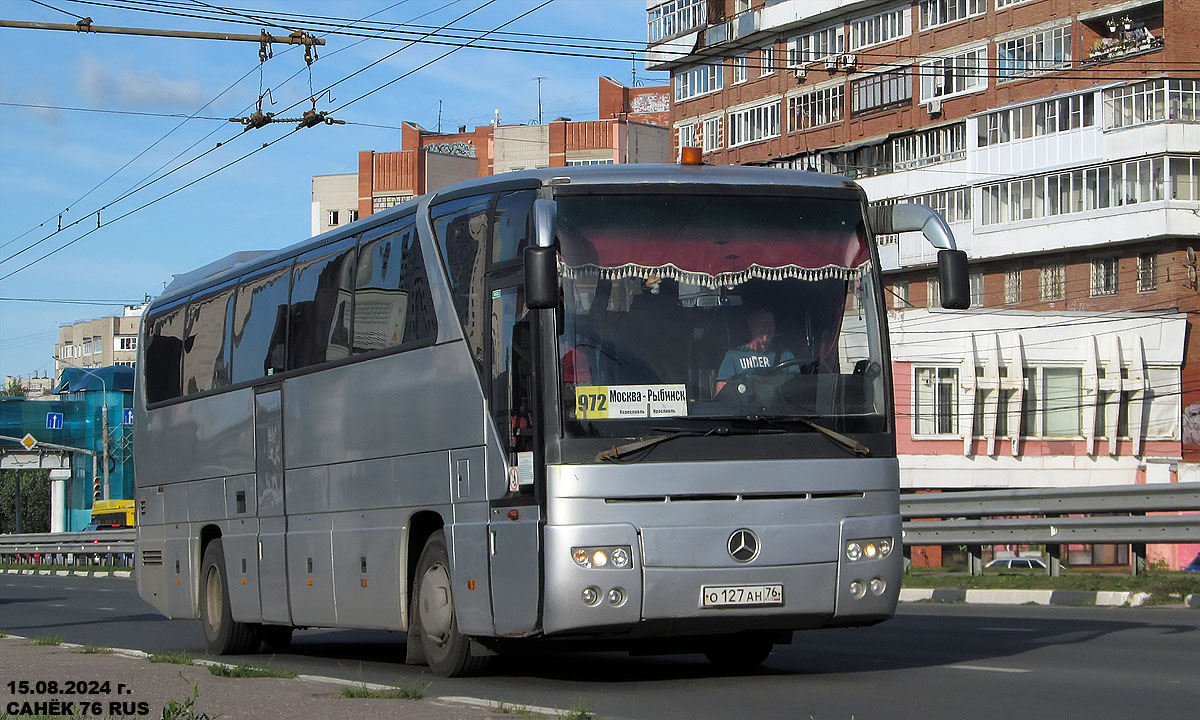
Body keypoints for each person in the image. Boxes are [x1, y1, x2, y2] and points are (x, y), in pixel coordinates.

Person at [715, 309, 795, 395]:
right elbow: (721, 396)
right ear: (752, 326)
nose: (767, 329)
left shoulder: (786, 357)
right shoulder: (733, 356)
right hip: (745, 407)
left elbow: (796, 390)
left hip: (779, 407)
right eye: (763, 324)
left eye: (770, 325)